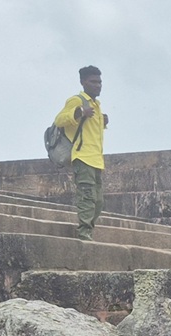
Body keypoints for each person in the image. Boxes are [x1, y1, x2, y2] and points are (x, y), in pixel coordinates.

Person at [53, 65, 108, 241]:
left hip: (96, 159)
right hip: (82, 157)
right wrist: (78, 112)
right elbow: (59, 120)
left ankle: (88, 230)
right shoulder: (77, 100)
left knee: (98, 202)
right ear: (83, 82)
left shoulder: (96, 105)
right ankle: (84, 233)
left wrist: (103, 122)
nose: (98, 85)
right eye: (93, 82)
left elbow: (90, 131)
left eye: (99, 82)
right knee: (86, 197)